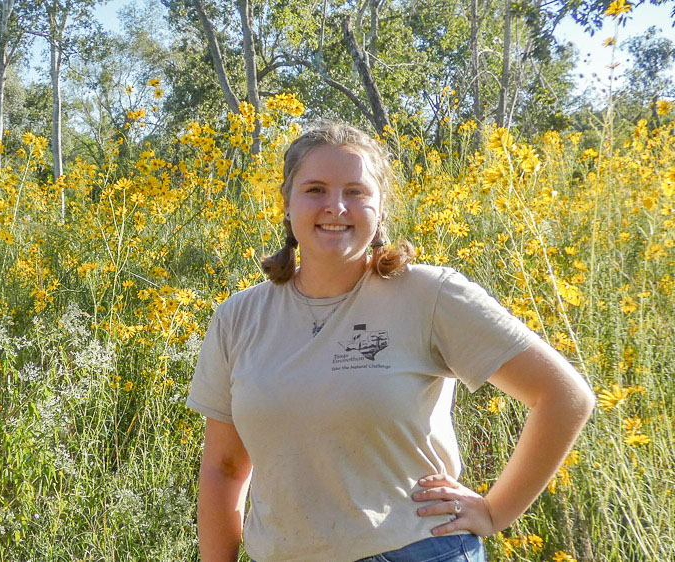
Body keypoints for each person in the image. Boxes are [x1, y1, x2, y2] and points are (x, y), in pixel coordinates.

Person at [186, 122, 595, 562]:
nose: (336, 206)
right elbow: (224, 469)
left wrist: (496, 511)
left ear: (381, 207)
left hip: (413, 551)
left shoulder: (429, 294)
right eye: (315, 190)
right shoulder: (239, 317)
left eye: (357, 192)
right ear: (286, 203)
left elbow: (564, 395)